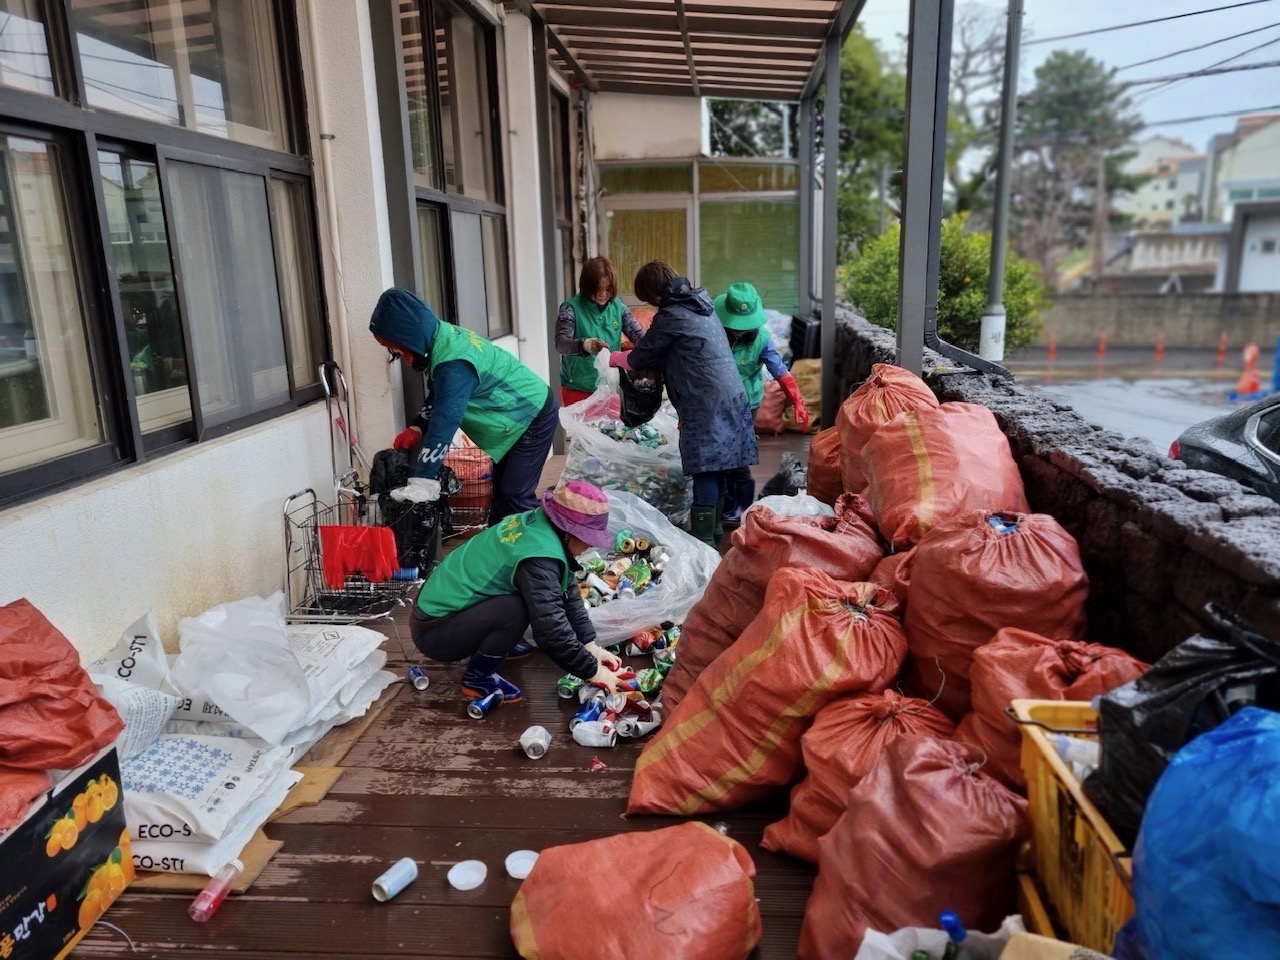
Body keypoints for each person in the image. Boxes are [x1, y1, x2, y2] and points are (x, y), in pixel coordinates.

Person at [410, 480, 629, 703]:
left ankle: (496, 644)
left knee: (529, 598)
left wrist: (589, 644)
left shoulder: (539, 525)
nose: (591, 545)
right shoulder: (539, 555)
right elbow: (551, 630)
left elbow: (566, 587)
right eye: (588, 537)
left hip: (443, 613)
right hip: (435, 632)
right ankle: (478, 677)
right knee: (516, 609)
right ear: (568, 532)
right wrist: (593, 672)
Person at [370, 287, 557, 526]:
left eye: (403, 349)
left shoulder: (453, 363)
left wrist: (422, 480)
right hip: (515, 418)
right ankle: (500, 556)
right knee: (502, 499)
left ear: (414, 336)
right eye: (396, 352)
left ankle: (546, 555)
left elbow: (446, 419)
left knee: (515, 495)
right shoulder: (441, 338)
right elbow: (440, 395)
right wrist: (417, 427)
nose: (405, 359)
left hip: (531, 415)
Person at [609, 260, 758, 546]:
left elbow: (641, 356)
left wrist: (613, 359)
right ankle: (714, 532)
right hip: (731, 394)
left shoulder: (672, 315)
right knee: (721, 465)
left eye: (647, 299)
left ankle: (703, 542)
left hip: (705, 399)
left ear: (654, 293)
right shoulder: (702, 304)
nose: (650, 305)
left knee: (705, 467)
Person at [714, 281, 810, 524]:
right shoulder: (714, 332)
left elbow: (780, 371)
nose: (738, 330)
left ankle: (743, 507)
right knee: (719, 451)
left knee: (737, 453)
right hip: (716, 399)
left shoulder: (762, 339)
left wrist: (796, 399)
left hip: (747, 401)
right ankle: (725, 501)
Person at [555, 256, 647, 407]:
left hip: (611, 388)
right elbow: (561, 344)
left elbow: (640, 337)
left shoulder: (618, 307)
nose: (603, 294)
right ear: (587, 286)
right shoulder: (570, 309)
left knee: (613, 431)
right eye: (598, 289)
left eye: (608, 289)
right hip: (578, 389)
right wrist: (585, 345)